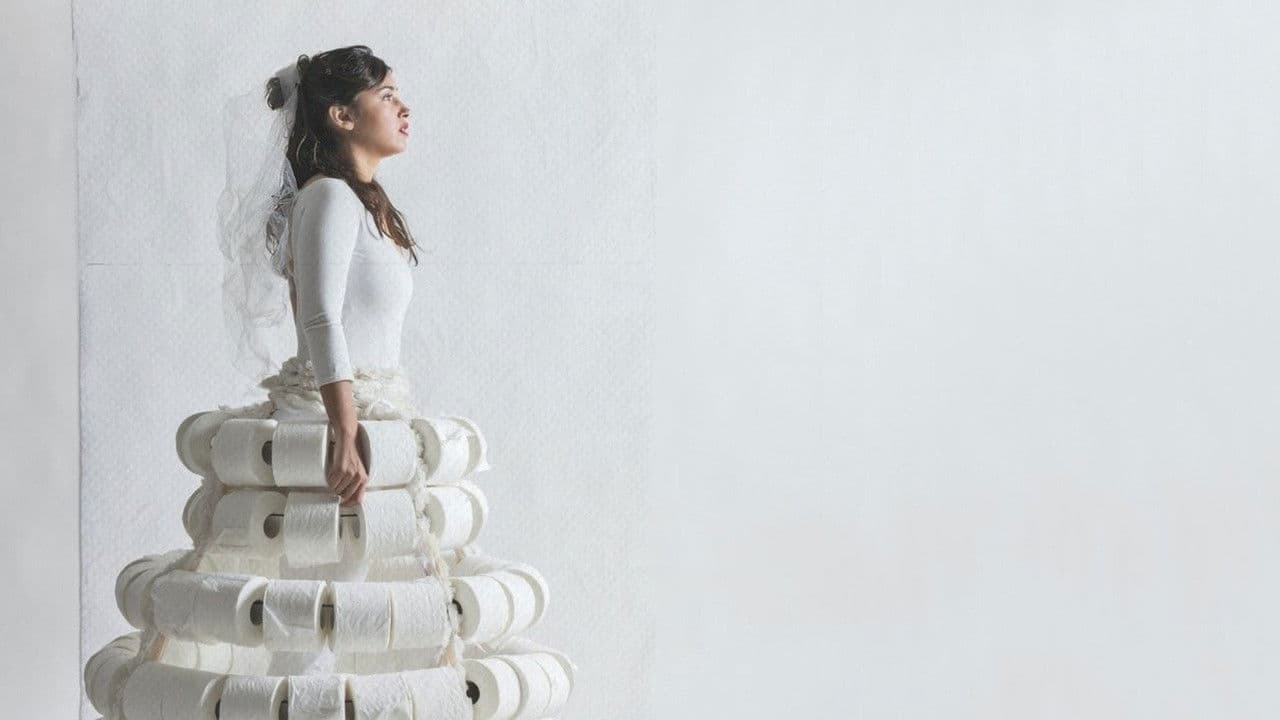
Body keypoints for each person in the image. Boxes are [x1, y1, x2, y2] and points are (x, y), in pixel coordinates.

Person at [259, 44, 420, 676]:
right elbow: (320, 318)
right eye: (387, 96)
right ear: (341, 116)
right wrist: (345, 432)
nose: (404, 108)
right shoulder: (326, 196)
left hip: (368, 420)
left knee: (357, 611)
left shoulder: (362, 205)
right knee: (318, 611)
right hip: (332, 428)